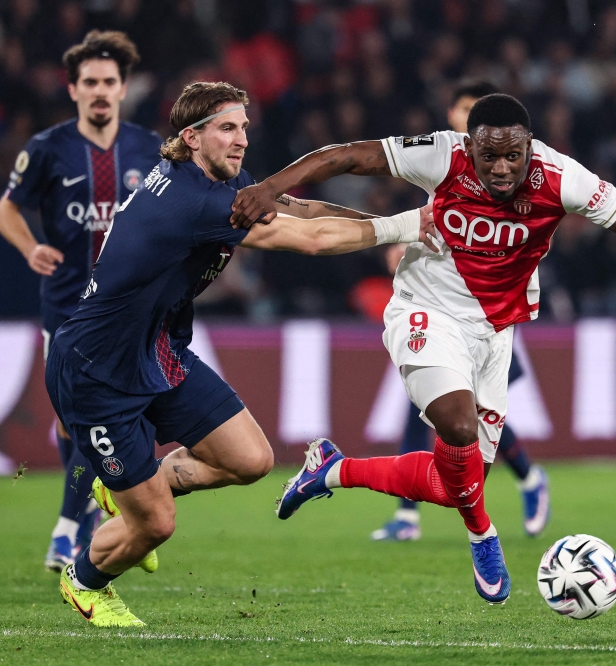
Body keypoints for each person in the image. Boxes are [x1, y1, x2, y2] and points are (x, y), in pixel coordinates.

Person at [232, 93, 616, 605]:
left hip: (495, 333)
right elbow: (348, 155)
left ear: (530, 147)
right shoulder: (441, 156)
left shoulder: (560, 177)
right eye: (488, 156)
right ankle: (483, 532)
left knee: (454, 483)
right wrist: (271, 188)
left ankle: (332, 470)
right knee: (456, 424)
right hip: (426, 309)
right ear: (469, 146)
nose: (501, 169)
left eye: (513, 156)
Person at [48, 81, 431, 627]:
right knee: (156, 523)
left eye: (245, 128)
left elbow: (302, 209)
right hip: (95, 371)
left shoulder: (218, 182)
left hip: (157, 351)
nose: (242, 139)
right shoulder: (194, 201)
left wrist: (385, 230)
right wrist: (409, 226)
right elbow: (310, 239)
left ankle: (127, 488)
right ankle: (84, 581)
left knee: (250, 460)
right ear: (191, 137)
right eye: (227, 128)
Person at [0, 31, 164, 573]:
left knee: (104, 421)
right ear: (72, 89)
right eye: (89, 82)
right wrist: (30, 246)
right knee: (74, 426)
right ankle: (87, 517)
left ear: (123, 88)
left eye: (108, 82)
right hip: (67, 306)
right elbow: (6, 210)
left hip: (129, 310)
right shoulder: (46, 149)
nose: (99, 91)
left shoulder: (148, 148)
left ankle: (68, 530)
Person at [372, 79, 550, 543]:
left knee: (471, 419)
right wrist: (405, 238)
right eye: (463, 110)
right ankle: (409, 516)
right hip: (438, 308)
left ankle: (529, 477)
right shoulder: (443, 161)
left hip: (494, 314)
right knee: (438, 413)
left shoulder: (515, 173)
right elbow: (434, 219)